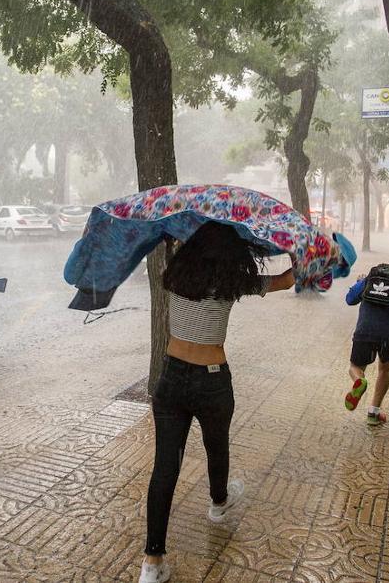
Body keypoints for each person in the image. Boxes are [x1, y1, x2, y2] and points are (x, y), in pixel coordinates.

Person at [139, 222, 295, 583]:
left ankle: (152, 563)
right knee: (216, 446)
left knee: (165, 468)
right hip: (212, 380)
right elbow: (287, 281)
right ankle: (218, 504)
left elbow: (175, 252)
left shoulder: (174, 273)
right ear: (230, 249)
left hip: (172, 378)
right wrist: (301, 250)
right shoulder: (233, 280)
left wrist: (170, 240)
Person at [343, 263, 389, 425]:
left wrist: (359, 282)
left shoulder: (367, 281)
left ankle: (359, 381)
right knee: (385, 370)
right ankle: (373, 414)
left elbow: (349, 299)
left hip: (365, 331)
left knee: (356, 367)